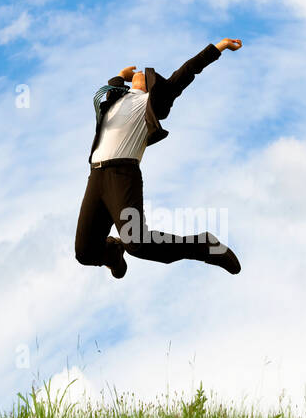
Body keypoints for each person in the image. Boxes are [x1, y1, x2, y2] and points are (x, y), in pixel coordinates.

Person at [74, 38, 244, 279]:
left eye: (145, 75)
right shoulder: (114, 100)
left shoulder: (150, 104)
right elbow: (111, 89)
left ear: (151, 86)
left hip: (122, 174)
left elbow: (186, 72)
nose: (141, 72)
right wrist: (119, 77)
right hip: (96, 175)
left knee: (137, 244)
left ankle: (204, 246)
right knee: (84, 252)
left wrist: (219, 47)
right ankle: (112, 253)